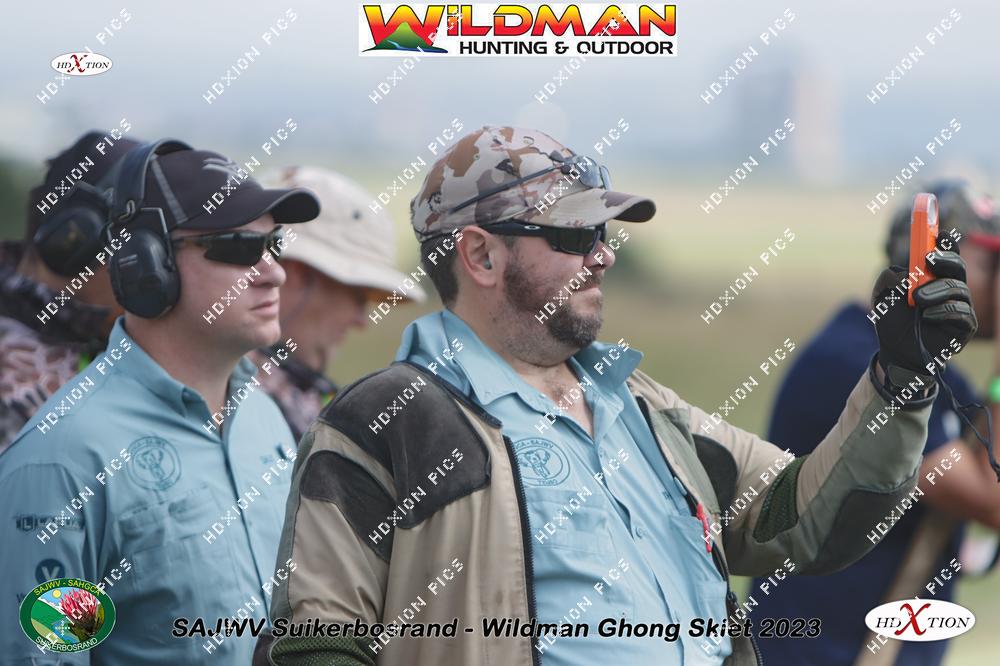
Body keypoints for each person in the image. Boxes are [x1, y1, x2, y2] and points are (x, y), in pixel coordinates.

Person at [255, 126, 977, 666]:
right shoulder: (385, 423)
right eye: (573, 235)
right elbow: (314, 644)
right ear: (479, 254)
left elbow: (808, 519)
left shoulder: (644, 409)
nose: (602, 254)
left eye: (601, 232)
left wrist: (899, 381)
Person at [0, 138, 320, 664]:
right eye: (240, 247)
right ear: (145, 264)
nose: (274, 272)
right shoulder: (63, 462)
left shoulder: (265, 419)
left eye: (275, 245)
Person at [752, 181, 1000, 666]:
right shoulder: (857, 366)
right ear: (930, 262)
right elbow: (992, 499)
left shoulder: (934, 373)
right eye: (991, 262)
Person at [250, 166, 426, 442]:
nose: (361, 321)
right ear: (297, 274)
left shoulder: (301, 399)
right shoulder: (236, 403)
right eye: (358, 296)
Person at [1, 131, 144, 451]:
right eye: (143, 247)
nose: (160, 271)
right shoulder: (13, 374)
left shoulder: (109, 345)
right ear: (76, 239)